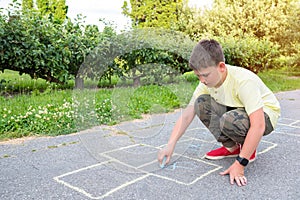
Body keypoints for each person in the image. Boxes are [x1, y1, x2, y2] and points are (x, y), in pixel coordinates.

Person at [157, 39, 280, 186]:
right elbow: (188, 114)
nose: (202, 80)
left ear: (221, 67)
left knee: (229, 119)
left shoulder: (243, 81)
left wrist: (240, 164)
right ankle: (232, 148)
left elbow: (258, 125)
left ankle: (247, 150)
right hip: (238, 111)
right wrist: (171, 144)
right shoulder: (206, 83)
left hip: (265, 116)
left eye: (205, 75)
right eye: (198, 76)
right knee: (200, 104)